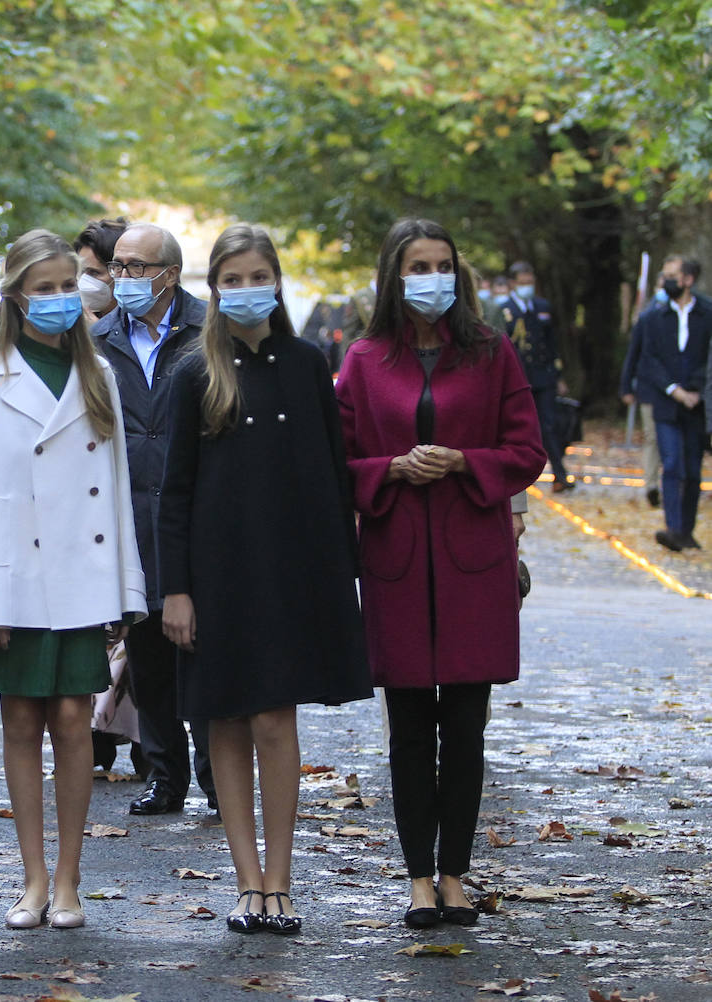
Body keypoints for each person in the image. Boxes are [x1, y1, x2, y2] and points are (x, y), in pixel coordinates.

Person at [158, 223, 372, 936]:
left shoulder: (310, 363)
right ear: (214, 288)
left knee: (277, 718)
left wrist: (340, 573)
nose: (248, 290)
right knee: (223, 716)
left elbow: (332, 475)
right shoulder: (195, 371)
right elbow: (175, 491)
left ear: (276, 281)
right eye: (234, 279)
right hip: (215, 574)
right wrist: (175, 589)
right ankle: (245, 879)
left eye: (259, 276)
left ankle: (280, 880)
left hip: (292, 569)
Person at [335, 218, 545, 930]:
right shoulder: (363, 359)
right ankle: (417, 879)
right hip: (396, 559)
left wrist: (463, 460)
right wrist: (390, 468)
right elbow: (339, 459)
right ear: (394, 275)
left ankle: (455, 874)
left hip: (472, 560)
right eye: (419, 265)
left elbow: (527, 448)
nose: (433, 276)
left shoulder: (491, 354)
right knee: (407, 729)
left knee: (465, 725)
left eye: (444, 264)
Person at [0, 229, 146, 930]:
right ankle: (31, 877)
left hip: (83, 574)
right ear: (15, 296)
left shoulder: (100, 376)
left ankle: (69, 879)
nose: (61, 299)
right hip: (15, 579)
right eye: (45, 288)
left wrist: (126, 591)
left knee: (73, 722)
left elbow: (117, 489)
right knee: (20, 721)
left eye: (70, 287)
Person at [92, 222, 217, 818]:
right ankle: (165, 777)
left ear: (169, 273)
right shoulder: (97, 339)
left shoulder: (208, 331)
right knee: (147, 656)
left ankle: (218, 779)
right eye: (117, 266)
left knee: (204, 649)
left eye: (136, 267)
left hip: (196, 510)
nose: (123, 278)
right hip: (128, 515)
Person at [636, 255, 711, 551]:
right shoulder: (654, 315)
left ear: (688, 279)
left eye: (671, 275)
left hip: (697, 403)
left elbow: (708, 358)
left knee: (692, 468)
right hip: (666, 402)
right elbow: (648, 357)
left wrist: (694, 389)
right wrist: (672, 389)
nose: (666, 281)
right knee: (672, 462)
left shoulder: (706, 313)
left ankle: (687, 529)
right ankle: (673, 527)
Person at [499, 261, 572, 491]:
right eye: (522, 283)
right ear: (513, 284)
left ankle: (559, 474)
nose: (527, 286)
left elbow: (552, 343)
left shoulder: (542, 307)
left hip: (544, 376)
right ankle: (519, 477)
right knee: (520, 428)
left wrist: (558, 375)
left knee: (549, 425)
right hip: (519, 378)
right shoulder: (504, 310)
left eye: (530, 282)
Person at [619, 284, 666, 509]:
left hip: (678, 390)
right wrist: (626, 386)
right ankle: (651, 485)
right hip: (649, 388)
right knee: (652, 437)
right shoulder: (646, 318)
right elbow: (634, 353)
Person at [74, 217, 127, 322]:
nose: (82, 281)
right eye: (80, 272)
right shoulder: (71, 323)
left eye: (94, 272)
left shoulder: (139, 328)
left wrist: (97, 334)